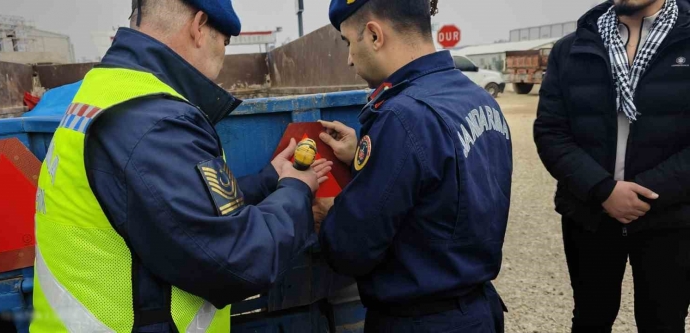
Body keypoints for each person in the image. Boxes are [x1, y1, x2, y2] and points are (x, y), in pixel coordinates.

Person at [29, 0, 332, 332]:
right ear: (199, 26)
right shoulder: (153, 123)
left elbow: (173, 207)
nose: (222, 58)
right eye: (225, 42)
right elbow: (242, 261)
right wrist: (297, 190)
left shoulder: (108, 90)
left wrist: (267, 180)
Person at [314, 0, 514, 331]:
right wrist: (370, 159)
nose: (349, 59)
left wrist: (327, 214)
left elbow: (351, 249)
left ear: (375, 35)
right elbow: (445, 183)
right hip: (479, 311)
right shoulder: (478, 99)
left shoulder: (401, 117)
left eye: (349, 42)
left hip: (420, 321)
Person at [534, 0, 690, 331]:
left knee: (664, 322)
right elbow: (551, 132)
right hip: (590, 213)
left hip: (671, 218)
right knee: (590, 317)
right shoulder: (573, 47)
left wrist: (649, 193)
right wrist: (603, 190)